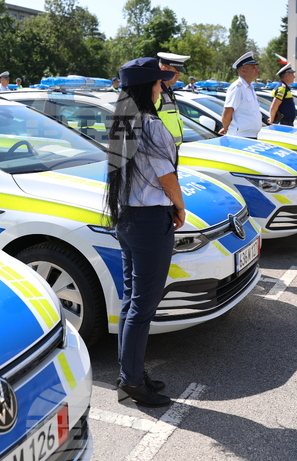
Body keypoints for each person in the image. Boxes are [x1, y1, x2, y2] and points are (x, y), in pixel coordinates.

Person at [105, 57, 183, 408]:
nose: (163, 87)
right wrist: (179, 206)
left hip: (127, 219)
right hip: (150, 221)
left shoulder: (121, 122)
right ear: (150, 87)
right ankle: (133, 382)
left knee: (131, 300)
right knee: (143, 305)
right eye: (159, 82)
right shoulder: (151, 125)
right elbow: (167, 177)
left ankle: (130, 374)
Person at [220, 52, 264, 137]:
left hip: (251, 135)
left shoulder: (250, 87)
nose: (257, 70)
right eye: (253, 67)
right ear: (243, 70)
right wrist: (227, 129)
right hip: (240, 136)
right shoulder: (238, 87)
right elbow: (227, 114)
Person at [156, 52, 189, 146]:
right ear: (164, 69)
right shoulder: (156, 93)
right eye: (176, 73)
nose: (179, 76)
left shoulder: (168, 91)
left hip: (170, 151)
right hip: (160, 152)